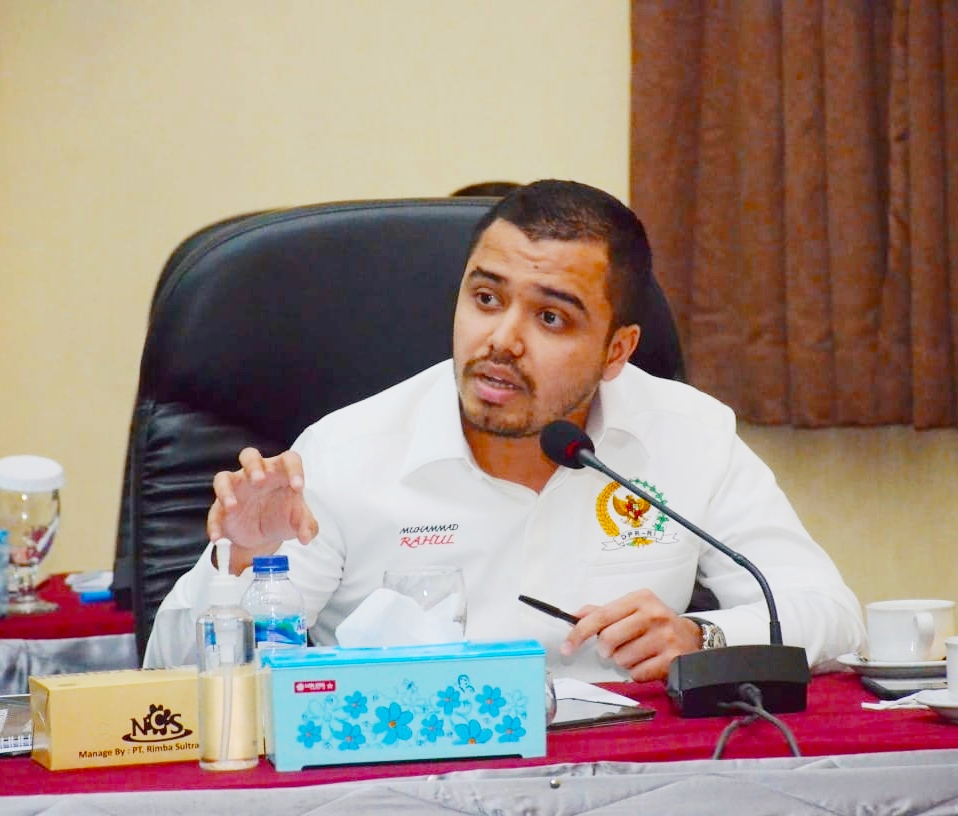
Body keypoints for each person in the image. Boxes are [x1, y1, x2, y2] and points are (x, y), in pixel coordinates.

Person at [144, 180, 865, 681]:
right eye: (486, 299)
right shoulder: (344, 456)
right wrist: (239, 564)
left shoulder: (688, 434)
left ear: (617, 350)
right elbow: (174, 676)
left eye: (550, 317)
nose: (502, 341)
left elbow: (831, 615)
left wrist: (701, 637)